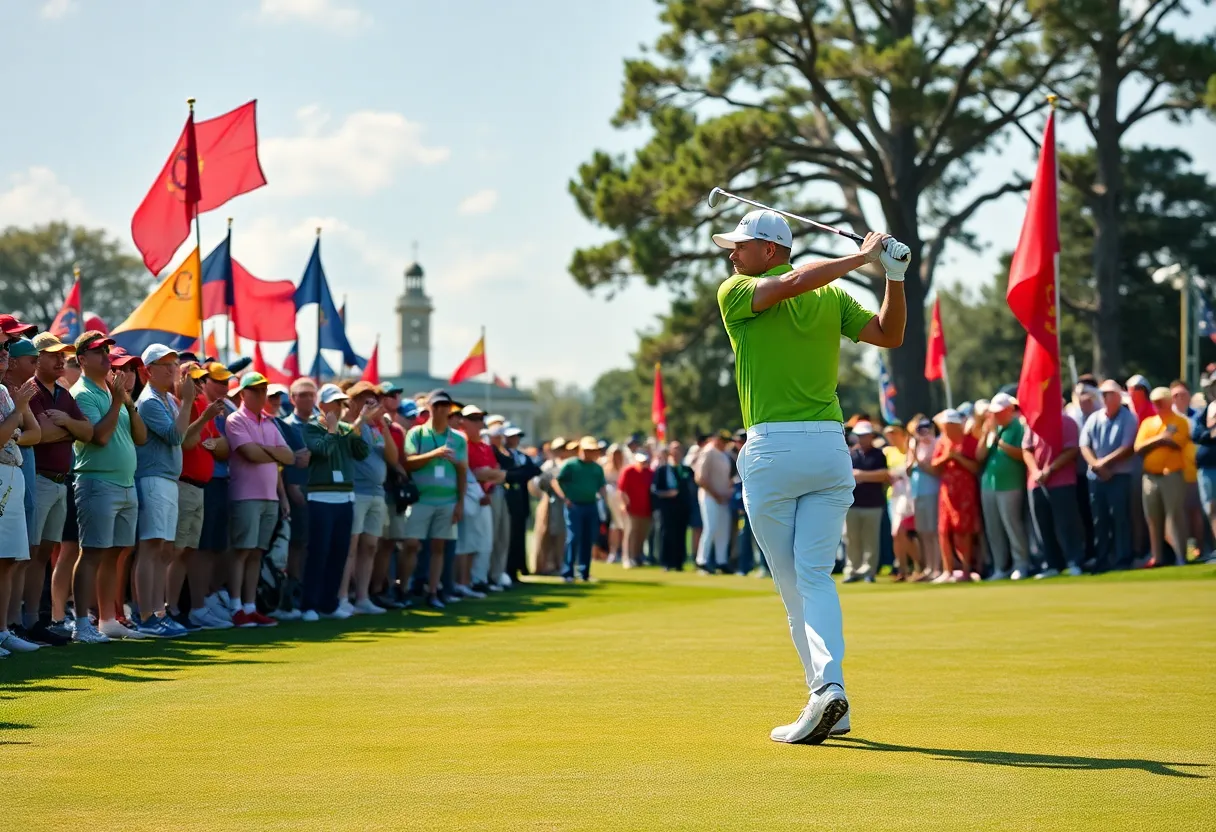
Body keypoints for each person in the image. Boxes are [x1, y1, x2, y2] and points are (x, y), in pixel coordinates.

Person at [714, 205, 909, 744]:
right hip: (828, 450)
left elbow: (889, 334)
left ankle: (825, 691)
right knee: (815, 578)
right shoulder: (751, 292)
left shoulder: (747, 289)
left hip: (774, 451)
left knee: (796, 588)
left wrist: (894, 279)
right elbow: (795, 283)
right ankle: (833, 698)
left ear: (769, 250)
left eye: (740, 246)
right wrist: (868, 261)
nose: (731, 254)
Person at [69, 331, 147, 642]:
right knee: (91, 553)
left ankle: (107, 620)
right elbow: (99, 436)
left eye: (107, 350)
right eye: (98, 351)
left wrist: (126, 401)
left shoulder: (113, 392)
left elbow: (140, 437)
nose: (105, 356)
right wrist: (118, 401)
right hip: (97, 481)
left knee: (114, 554)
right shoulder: (82, 393)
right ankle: (81, 624)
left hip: (125, 484)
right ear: (82, 360)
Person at [132, 345, 208, 636]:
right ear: (148, 370)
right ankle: (147, 615)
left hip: (167, 480)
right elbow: (176, 436)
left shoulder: (168, 401)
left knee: (163, 549)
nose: (172, 369)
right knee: (151, 548)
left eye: (174, 364)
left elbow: (184, 437)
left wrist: (187, 405)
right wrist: (188, 401)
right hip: (152, 479)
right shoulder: (150, 401)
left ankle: (158, 612)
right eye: (164, 365)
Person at [28, 332, 90, 646]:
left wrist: (65, 424)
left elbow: (87, 431)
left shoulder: (63, 394)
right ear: (37, 358)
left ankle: (39, 619)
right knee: (31, 553)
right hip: (39, 478)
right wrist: (68, 428)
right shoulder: (33, 390)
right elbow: (39, 434)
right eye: (52, 355)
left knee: (43, 554)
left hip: (59, 482)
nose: (59, 360)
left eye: (61, 356)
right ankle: (25, 620)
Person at [224, 372, 293, 626]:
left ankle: (250, 606)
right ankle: (235, 607)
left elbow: (289, 457)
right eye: (255, 391)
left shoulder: (269, 422)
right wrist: (273, 453)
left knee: (256, 553)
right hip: (245, 496)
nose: (261, 395)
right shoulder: (235, 419)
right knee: (241, 551)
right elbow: (249, 454)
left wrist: (266, 451)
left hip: (269, 497)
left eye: (263, 390)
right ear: (243, 394)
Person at [301, 384, 369, 620]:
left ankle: (329, 604)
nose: (340, 407)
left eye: (342, 403)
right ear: (322, 406)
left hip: (345, 498)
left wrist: (358, 427)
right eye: (335, 403)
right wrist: (331, 431)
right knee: (319, 552)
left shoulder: (346, 429)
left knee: (339, 554)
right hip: (320, 498)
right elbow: (322, 452)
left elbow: (362, 453)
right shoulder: (311, 428)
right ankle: (309, 605)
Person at [402, 390, 467, 610]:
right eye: (437, 405)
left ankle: (432, 592)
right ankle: (403, 590)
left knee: (439, 547)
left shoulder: (458, 439)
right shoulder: (417, 433)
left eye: (445, 406)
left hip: (447, 500)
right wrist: (434, 454)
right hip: (420, 500)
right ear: (429, 407)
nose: (441, 410)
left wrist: (460, 503)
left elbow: (462, 472)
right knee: (411, 545)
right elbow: (408, 462)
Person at [340, 382, 398, 615]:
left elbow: (393, 458)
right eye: (364, 400)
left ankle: (363, 597)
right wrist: (363, 418)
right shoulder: (346, 423)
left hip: (377, 493)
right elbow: (346, 441)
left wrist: (383, 426)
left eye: (373, 401)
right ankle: (343, 596)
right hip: (356, 492)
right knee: (351, 548)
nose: (370, 406)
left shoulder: (375, 428)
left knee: (370, 546)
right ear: (352, 401)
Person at [0, 329, 41, 656]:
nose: (4, 354)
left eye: (5, 350)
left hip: (13, 474)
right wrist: (18, 413)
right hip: (2, 475)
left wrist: (14, 423)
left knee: (10, 560)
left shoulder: (4, 390)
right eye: (1, 349)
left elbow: (35, 433)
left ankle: (2, 631)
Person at [1081, 379, 1138, 572]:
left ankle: (1123, 558)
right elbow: (1084, 445)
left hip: (1119, 476)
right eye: (1103, 395)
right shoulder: (1094, 418)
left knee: (1120, 517)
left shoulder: (1127, 418)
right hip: (1096, 477)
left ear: (1117, 396)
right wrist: (1095, 464)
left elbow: (1127, 447)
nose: (1105, 398)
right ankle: (1102, 559)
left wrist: (1103, 463)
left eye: (1109, 394)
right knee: (1100, 519)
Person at [1135, 386, 1191, 568]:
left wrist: (1155, 441)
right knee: (1152, 518)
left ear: (1168, 401)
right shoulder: (1148, 423)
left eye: (1161, 401)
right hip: (1150, 476)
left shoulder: (1179, 421)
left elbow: (1177, 443)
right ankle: (1157, 557)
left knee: (1174, 516)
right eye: (1155, 401)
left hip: (1172, 474)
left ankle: (1180, 556)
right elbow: (1139, 447)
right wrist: (1161, 439)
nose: (1157, 404)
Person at [977, 392, 1030, 580]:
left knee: (1012, 525)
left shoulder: (1017, 427)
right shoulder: (994, 429)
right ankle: (1000, 567)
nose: (996, 416)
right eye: (994, 413)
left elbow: (1020, 454)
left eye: (999, 412)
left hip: (1010, 483)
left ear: (1009, 410)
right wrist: (985, 434)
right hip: (989, 484)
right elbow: (979, 456)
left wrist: (999, 441)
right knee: (994, 528)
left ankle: (1021, 564)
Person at [932, 409, 981, 582]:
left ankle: (966, 569)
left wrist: (958, 457)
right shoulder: (943, 442)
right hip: (946, 492)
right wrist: (947, 457)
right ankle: (948, 570)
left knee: (965, 530)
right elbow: (934, 465)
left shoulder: (969, 441)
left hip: (965, 491)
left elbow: (976, 467)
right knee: (944, 531)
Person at [552, 436, 609, 582]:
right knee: (573, 537)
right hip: (574, 505)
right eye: (586, 450)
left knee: (588, 538)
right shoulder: (570, 465)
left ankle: (584, 572)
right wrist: (565, 498)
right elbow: (557, 481)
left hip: (591, 505)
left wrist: (605, 501)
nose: (588, 453)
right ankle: (568, 572)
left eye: (592, 450)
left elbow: (601, 486)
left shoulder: (597, 468)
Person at [843, 421, 887, 583]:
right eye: (859, 436)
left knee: (871, 540)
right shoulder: (851, 454)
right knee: (852, 539)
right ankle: (853, 570)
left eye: (865, 436)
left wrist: (861, 475)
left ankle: (869, 571)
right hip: (852, 504)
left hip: (873, 504)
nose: (862, 439)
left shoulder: (878, 454)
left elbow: (883, 475)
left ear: (871, 436)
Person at [881, 424, 920, 582]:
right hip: (894, 496)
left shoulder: (908, 450)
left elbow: (909, 468)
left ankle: (918, 565)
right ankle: (903, 570)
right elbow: (885, 473)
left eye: (894, 433)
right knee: (896, 535)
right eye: (889, 434)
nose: (891, 436)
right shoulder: (887, 452)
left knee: (901, 531)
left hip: (909, 496)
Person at [694, 430, 734, 574]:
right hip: (709, 496)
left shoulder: (724, 454)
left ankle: (721, 561)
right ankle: (702, 560)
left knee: (723, 529)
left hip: (723, 497)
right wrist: (715, 494)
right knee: (710, 527)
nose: (725, 444)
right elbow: (700, 477)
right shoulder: (708, 452)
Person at [651, 441, 694, 571]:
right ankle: (666, 562)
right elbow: (655, 490)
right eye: (673, 451)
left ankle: (679, 562)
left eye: (678, 451)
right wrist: (667, 494)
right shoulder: (662, 470)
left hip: (682, 508)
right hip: (666, 508)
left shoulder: (686, 469)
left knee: (680, 534)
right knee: (666, 534)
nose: (676, 454)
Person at [617, 450, 655, 569]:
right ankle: (628, 557)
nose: (643, 464)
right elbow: (622, 490)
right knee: (631, 533)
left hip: (646, 509)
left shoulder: (650, 473)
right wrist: (623, 504)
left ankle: (638, 557)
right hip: (631, 508)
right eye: (641, 461)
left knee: (642, 534)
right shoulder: (628, 471)